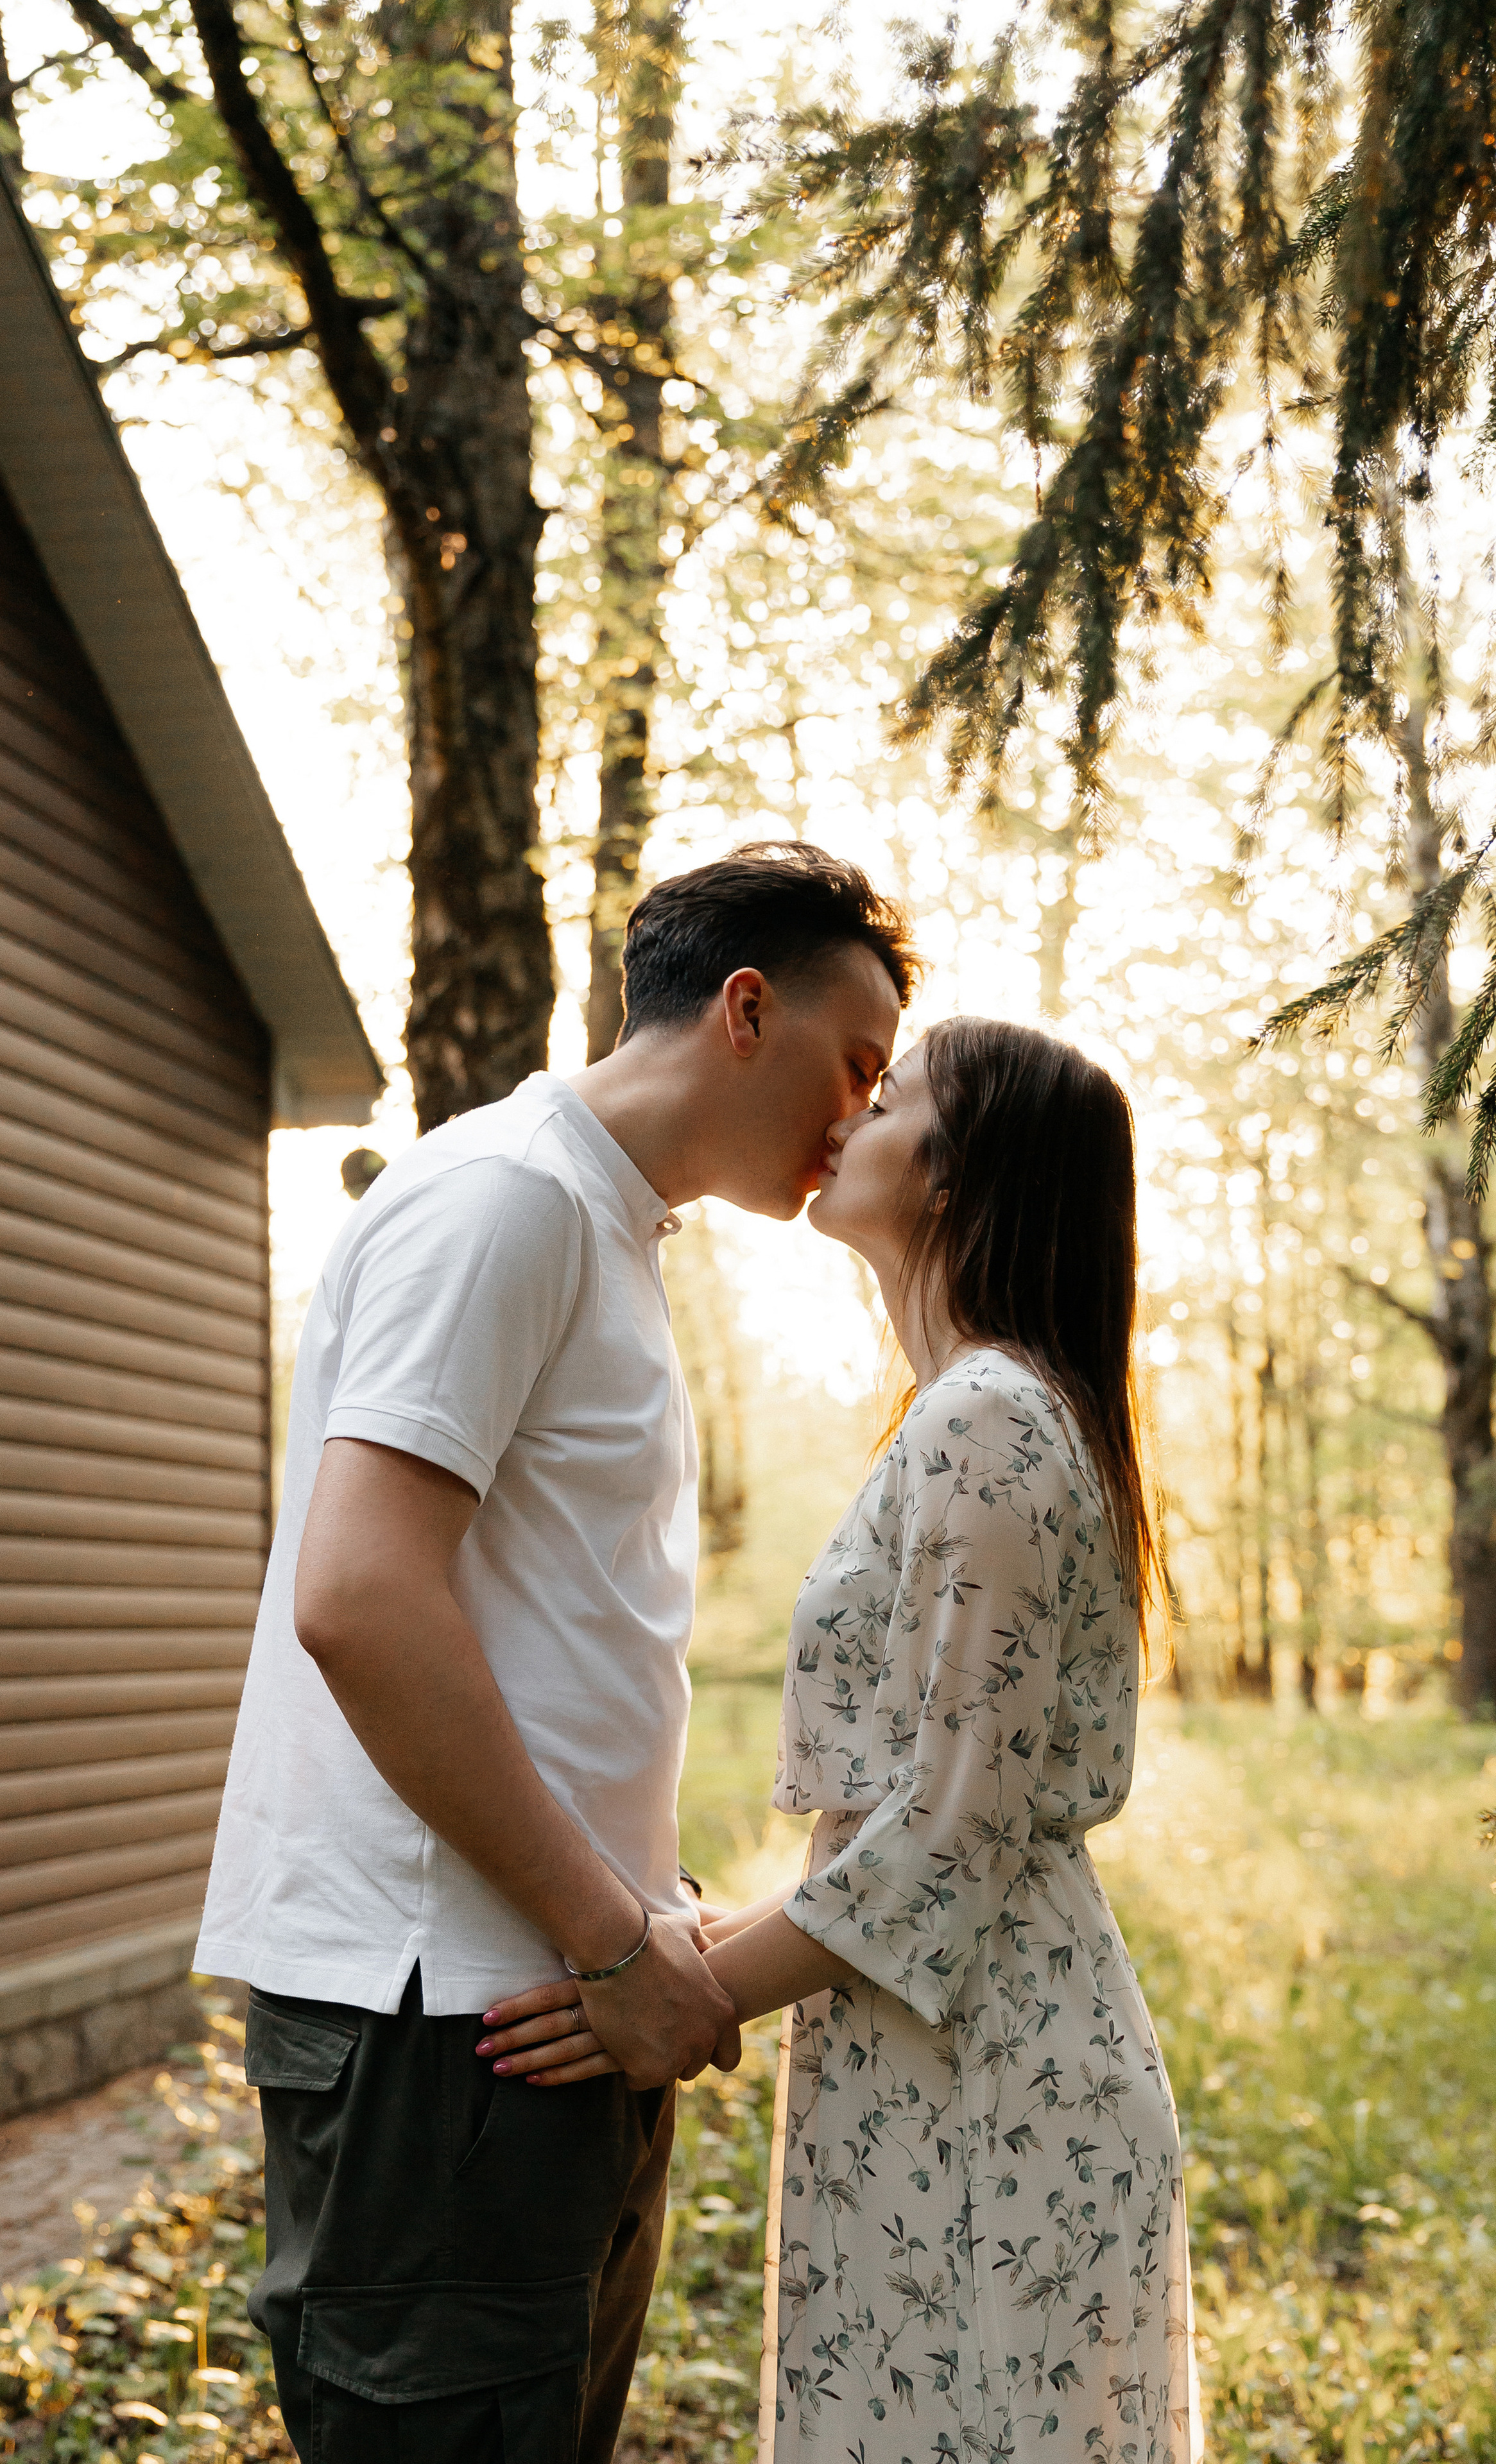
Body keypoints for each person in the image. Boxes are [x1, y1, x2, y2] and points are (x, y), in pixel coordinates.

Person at [193, 843, 918, 2464]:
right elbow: (361, 1599)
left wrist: (637, 1946)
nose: (862, 1116)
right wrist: (612, 1944)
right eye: (854, 1064)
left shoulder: (600, 1225)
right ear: (745, 1008)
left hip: (547, 2000)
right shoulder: (504, 1200)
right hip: (440, 2023)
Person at [490, 1017, 1200, 2463]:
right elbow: (932, 1813)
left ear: (952, 1177)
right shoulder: (968, 1415)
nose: (847, 1116)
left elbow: (945, 1836)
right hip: (930, 2053)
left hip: (992, 2082)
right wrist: (701, 1933)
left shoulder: (986, 1423)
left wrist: (666, 1992)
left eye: (891, 1098)